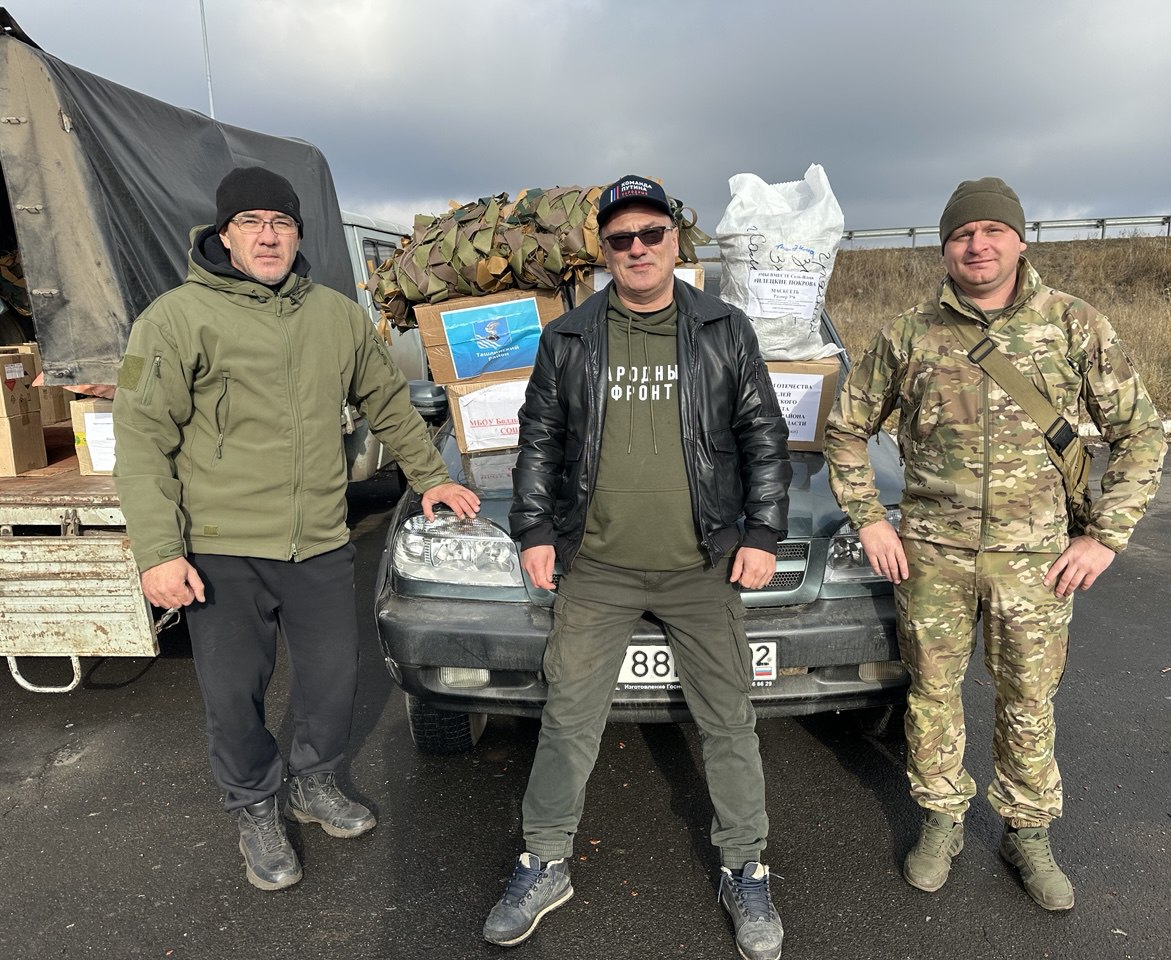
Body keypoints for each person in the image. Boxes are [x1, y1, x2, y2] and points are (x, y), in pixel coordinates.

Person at [111, 166, 479, 891]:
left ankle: (314, 782)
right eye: (250, 223)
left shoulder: (335, 316)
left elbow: (387, 399)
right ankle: (254, 805)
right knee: (233, 694)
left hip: (318, 540)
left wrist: (432, 476)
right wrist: (158, 551)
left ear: (298, 234)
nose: (268, 235)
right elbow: (142, 439)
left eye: (281, 222)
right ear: (224, 236)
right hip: (222, 545)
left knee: (333, 679)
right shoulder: (175, 319)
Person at [824, 177, 1166, 911]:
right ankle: (942, 818)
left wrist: (1105, 537)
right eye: (961, 234)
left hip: (1036, 561)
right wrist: (871, 520)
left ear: (1019, 239)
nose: (976, 245)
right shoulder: (907, 334)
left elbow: (1140, 434)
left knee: (1028, 700)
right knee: (932, 695)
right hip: (932, 557)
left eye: (991, 231)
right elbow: (846, 429)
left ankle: (1027, 832)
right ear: (944, 247)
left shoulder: (1074, 324)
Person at [482, 175, 790, 960]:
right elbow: (539, 441)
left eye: (652, 233)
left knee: (728, 722)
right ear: (606, 251)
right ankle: (544, 862)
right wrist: (533, 529)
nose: (638, 249)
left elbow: (762, 436)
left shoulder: (723, 329)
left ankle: (746, 868)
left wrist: (763, 532)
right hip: (599, 568)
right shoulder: (570, 337)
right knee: (568, 719)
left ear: (676, 241)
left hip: (701, 566)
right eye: (622, 239)